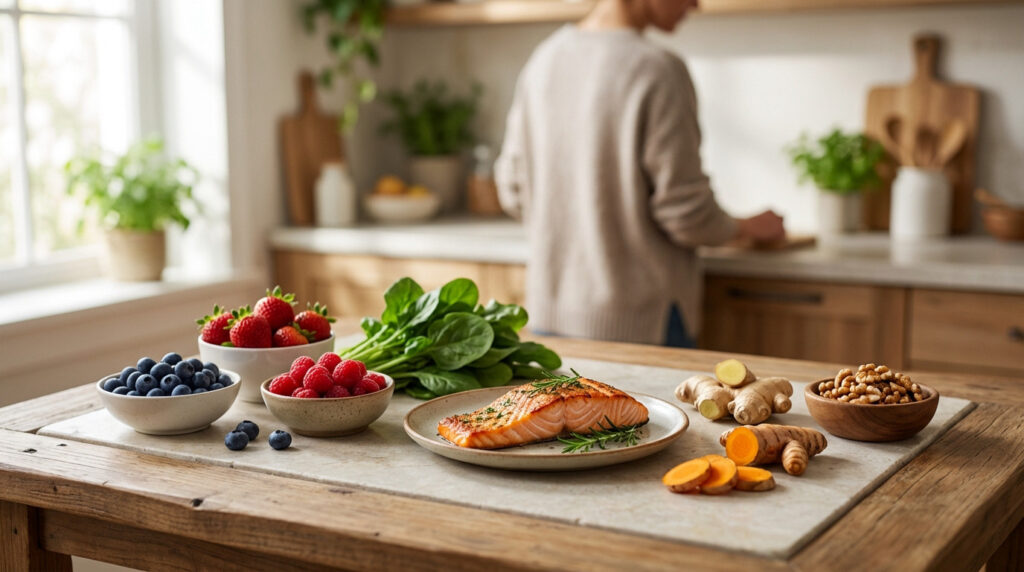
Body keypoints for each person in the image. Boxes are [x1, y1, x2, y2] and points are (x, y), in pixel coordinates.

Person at [495, 0, 785, 348]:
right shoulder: (657, 68)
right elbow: (686, 215)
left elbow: (512, 189)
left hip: (549, 318)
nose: (696, 4)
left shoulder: (544, 59)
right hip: (642, 324)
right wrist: (746, 227)